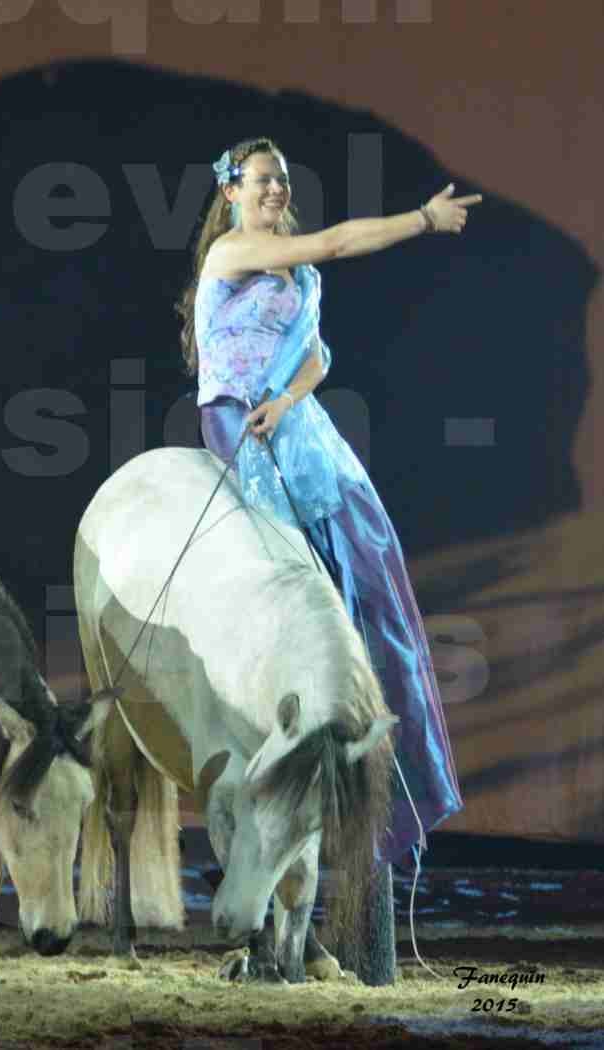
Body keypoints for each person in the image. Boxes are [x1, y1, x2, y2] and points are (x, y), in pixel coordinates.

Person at [177, 137, 482, 865]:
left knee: (364, 559)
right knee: (283, 574)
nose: (273, 190)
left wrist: (286, 401)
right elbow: (343, 240)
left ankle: (375, 759)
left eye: (280, 179)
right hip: (234, 415)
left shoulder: (296, 269)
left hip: (288, 418)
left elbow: (315, 357)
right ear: (231, 194)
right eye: (259, 181)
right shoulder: (232, 254)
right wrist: (420, 220)